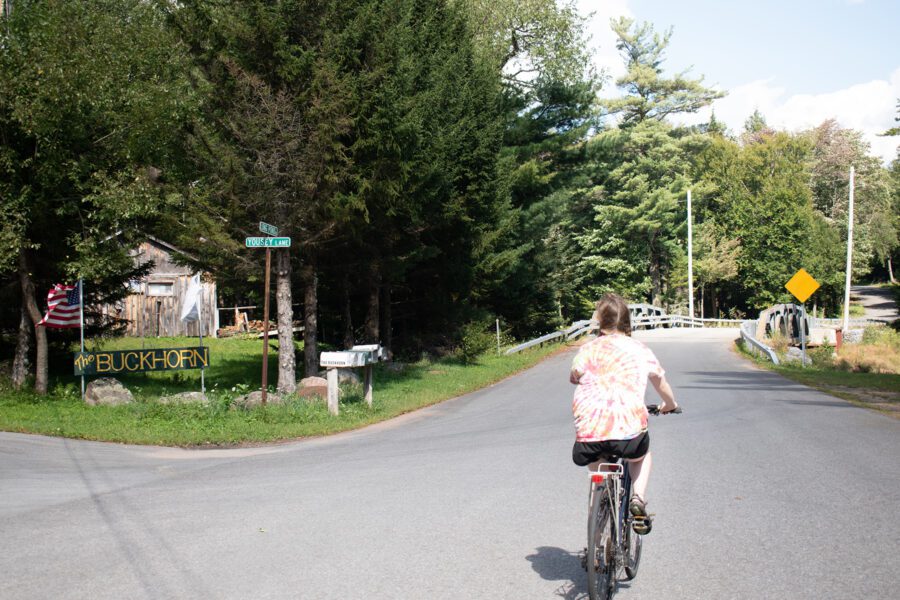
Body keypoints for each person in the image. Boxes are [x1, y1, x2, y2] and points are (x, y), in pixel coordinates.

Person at [569, 293, 678, 534]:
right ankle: (637, 499)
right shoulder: (640, 349)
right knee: (642, 454)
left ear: (600, 321)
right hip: (628, 434)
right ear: (627, 322)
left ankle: (596, 536)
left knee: (600, 474)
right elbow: (660, 381)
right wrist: (669, 404)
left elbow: (574, 377)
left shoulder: (587, 350)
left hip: (589, 434)